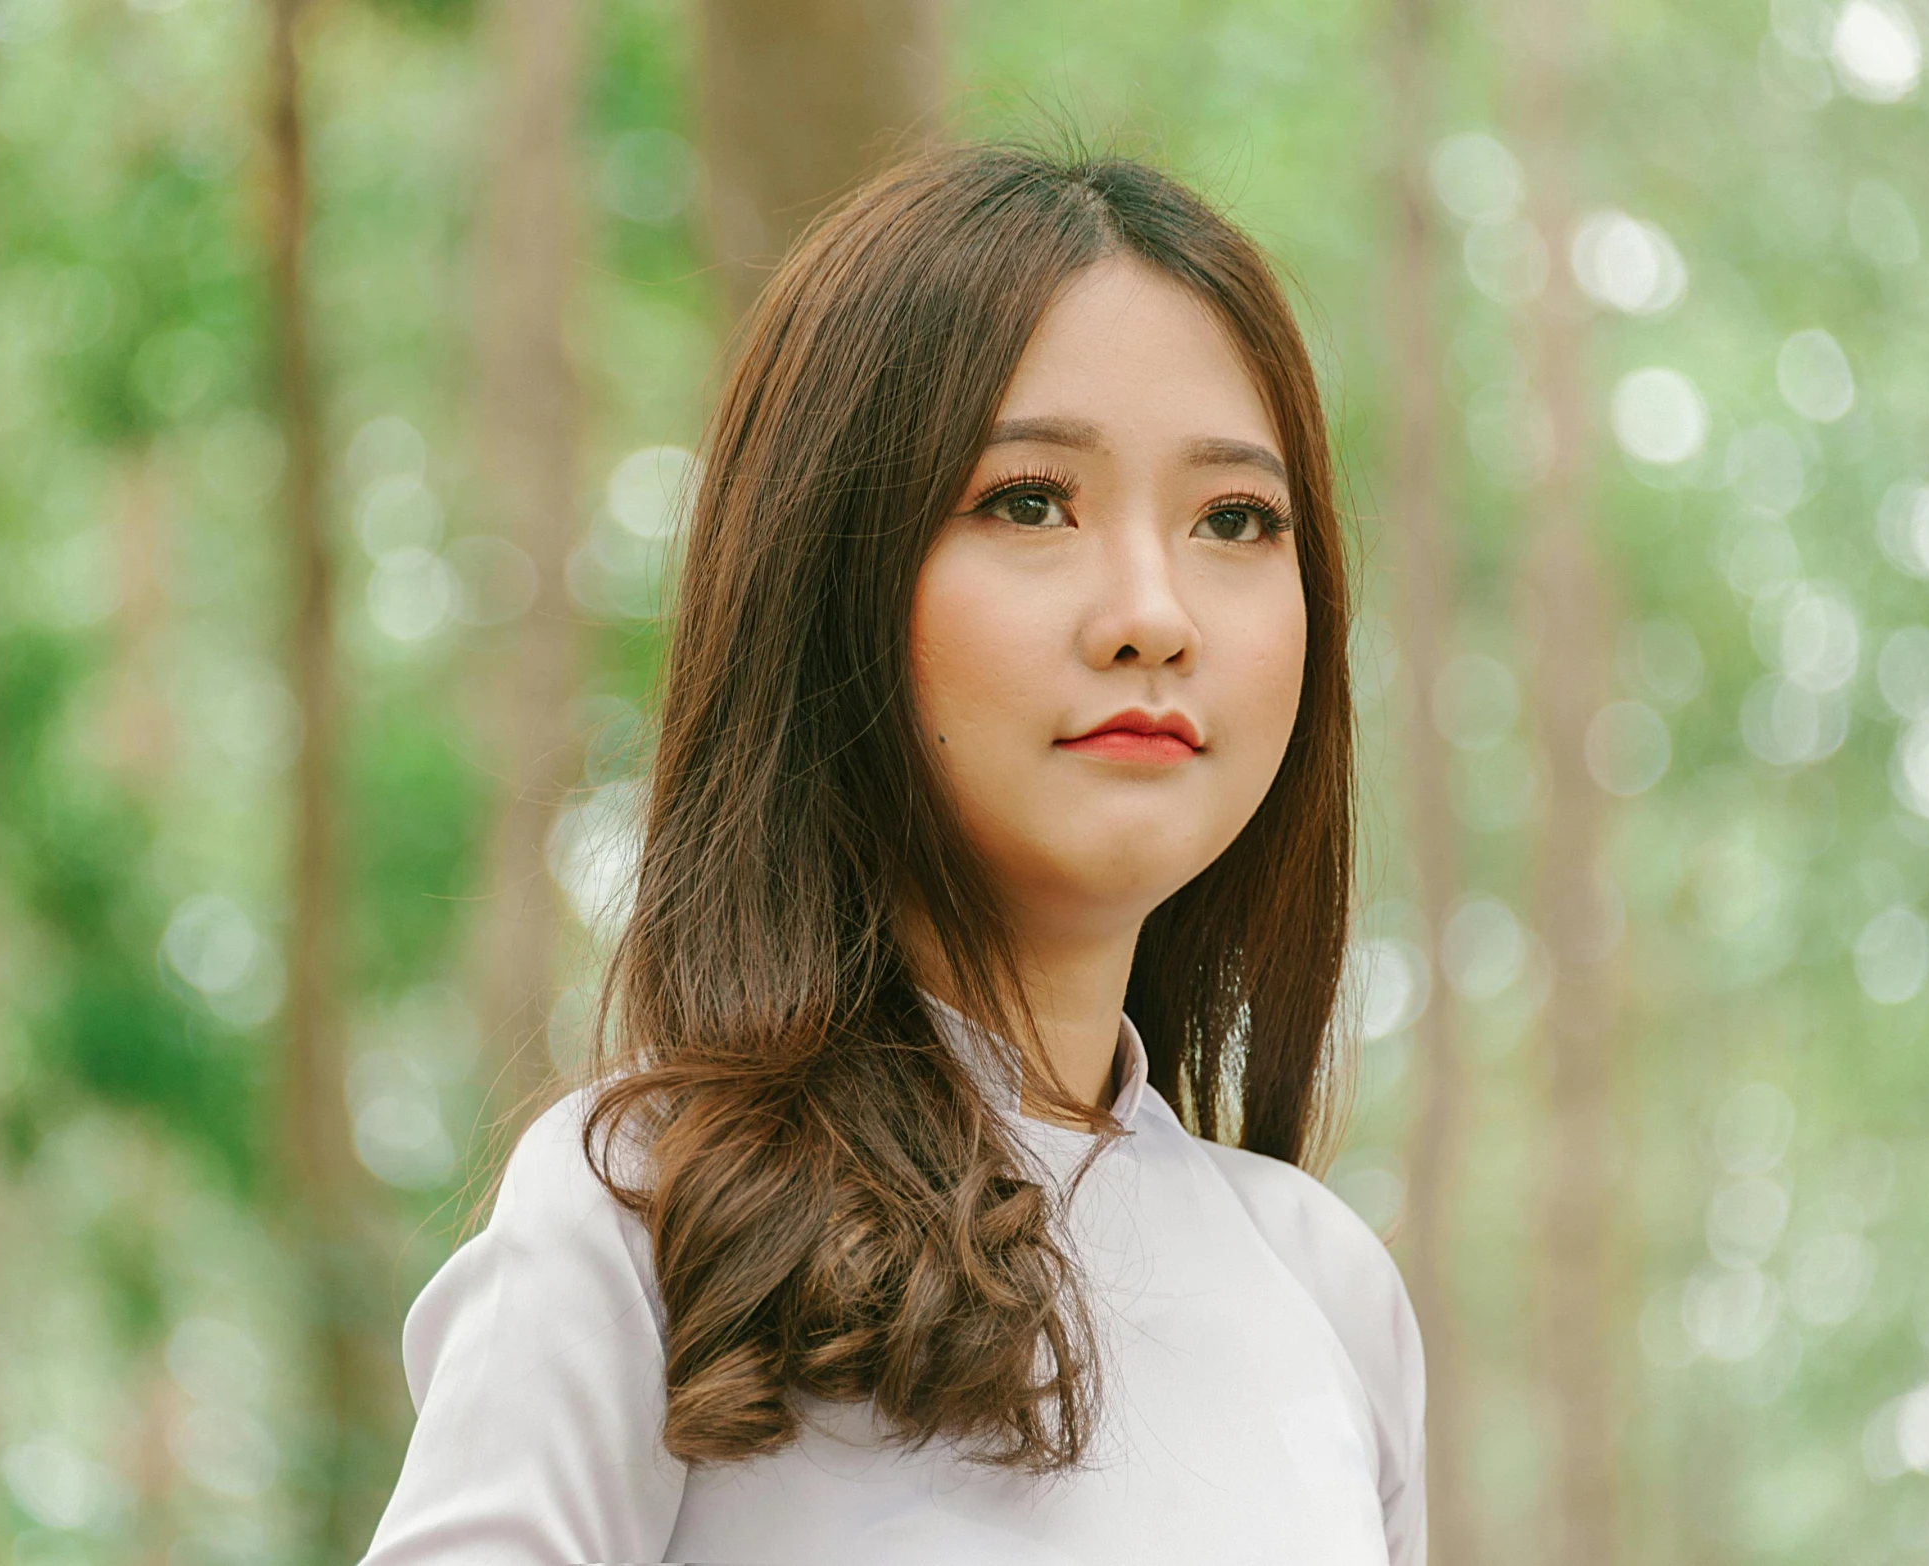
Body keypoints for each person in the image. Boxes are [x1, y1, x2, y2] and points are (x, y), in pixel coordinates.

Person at [355, 141, 1426, 1566]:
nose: (1154, 612)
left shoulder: (1327, 1291)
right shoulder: (653, 1216)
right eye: (1031, 499)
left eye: (1236, 518)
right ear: (829, 576)